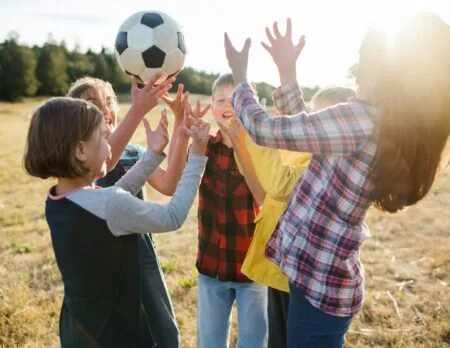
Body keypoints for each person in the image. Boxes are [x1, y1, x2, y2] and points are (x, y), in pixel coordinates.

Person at [224, 14, 450, 347]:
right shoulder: (378, 124)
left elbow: (265, 130)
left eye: (363, 61)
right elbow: (312, 132)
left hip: (319, 286)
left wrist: (240, 79)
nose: (356, 69)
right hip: (319, 279)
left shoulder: (360, 119)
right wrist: (287, 71)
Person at [23, 96, 209, 348]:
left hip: (80, 331)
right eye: (103, 136)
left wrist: (152, 156)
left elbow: (115, 194)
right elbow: (172, 216)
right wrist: (197, 157)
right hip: (119, 334)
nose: (111, 144)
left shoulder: (58, 198)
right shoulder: (110, 205)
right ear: (80, 150)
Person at [220, 86, 355, 348]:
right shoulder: (305, 155)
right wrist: (241, 145)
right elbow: (263, 196)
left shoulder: (321, 167)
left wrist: (253, 136)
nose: (311, 124)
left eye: (319, 117)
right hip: (280, 269)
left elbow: (278, 184)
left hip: (299, 275)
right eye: (312, 115)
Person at [196, 73, 268, 348]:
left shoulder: (261, 149)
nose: (228, 106)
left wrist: (241, 145)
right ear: (212, 107)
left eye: (237, 100)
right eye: (221, 100)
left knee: (254, 341)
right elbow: (180, 181)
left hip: (253, 268)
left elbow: (262, 197)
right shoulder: (206, 147)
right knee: (210, 342)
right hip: (211, 266)